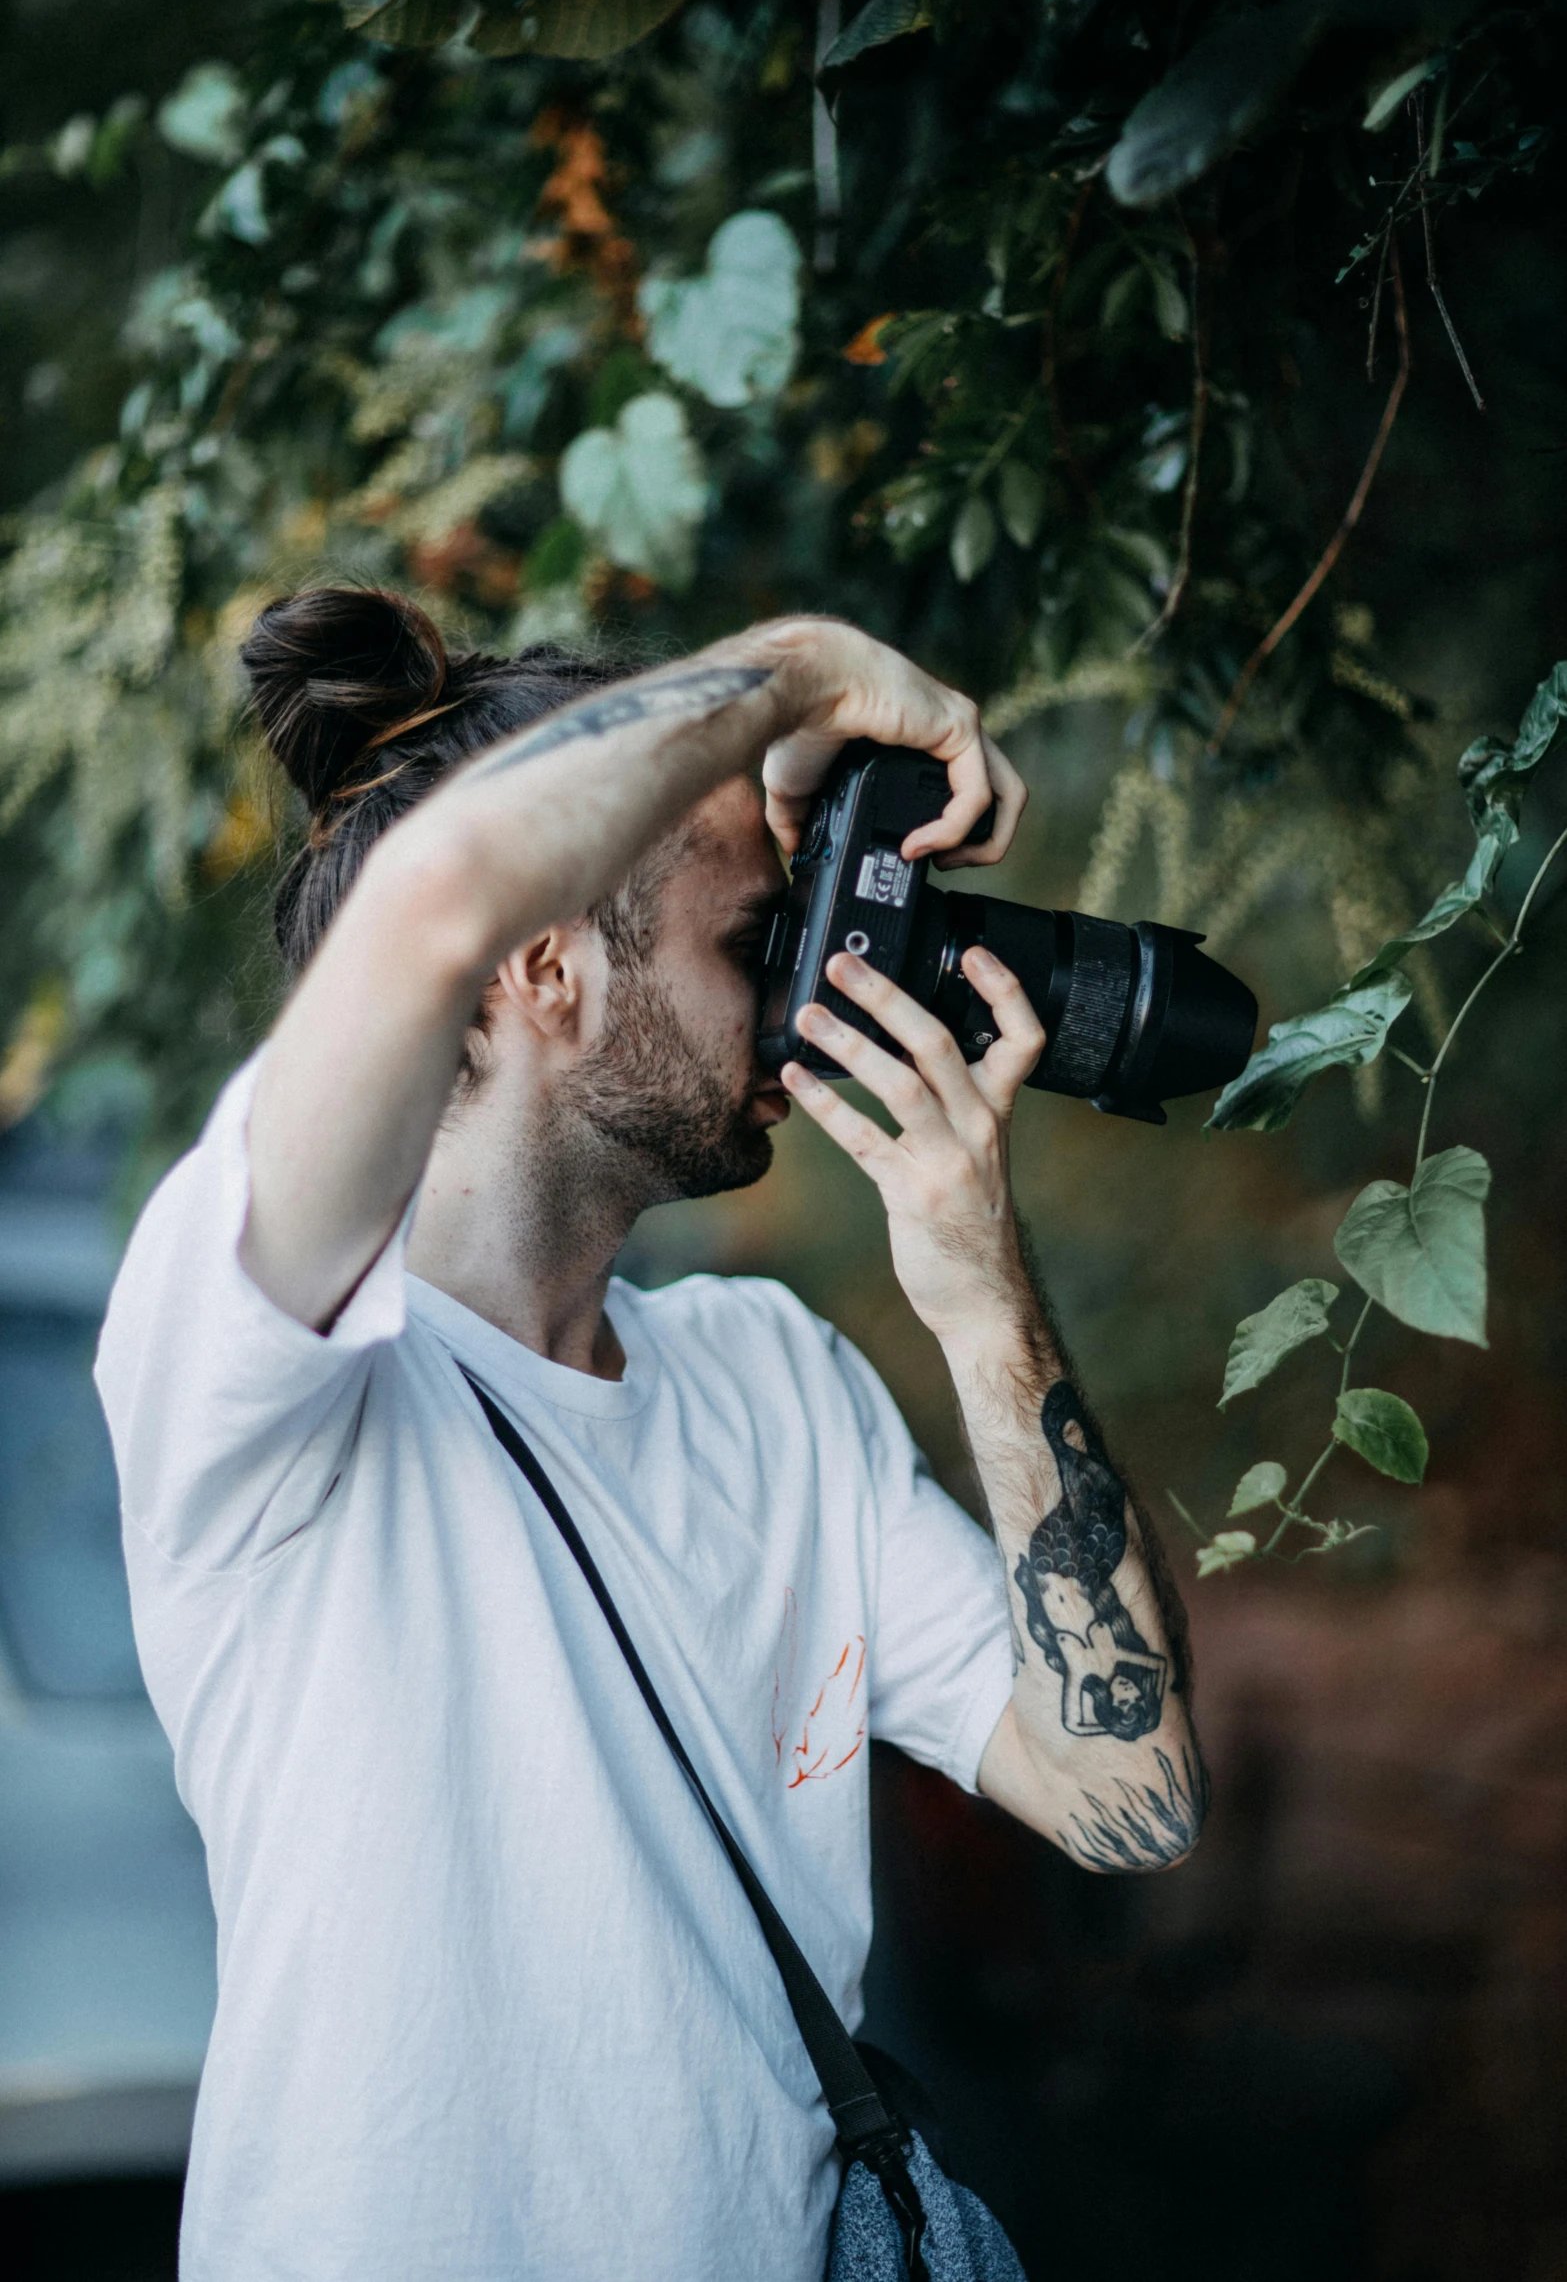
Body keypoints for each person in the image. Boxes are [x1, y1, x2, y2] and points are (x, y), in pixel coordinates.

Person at [95, 590, 1205, 2282]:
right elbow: (433, 898)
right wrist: (811, 670)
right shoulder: (263, 1370)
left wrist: (981, 1293)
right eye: (748, 944)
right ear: (540, 964)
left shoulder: (776, 1381)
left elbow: (1130, 1791)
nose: (793, 1003)